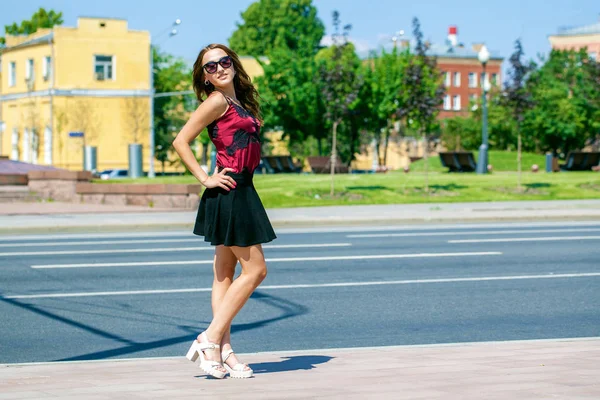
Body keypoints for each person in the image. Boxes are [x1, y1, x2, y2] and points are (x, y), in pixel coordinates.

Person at [173, 43, 277, 379]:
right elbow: (180, 140)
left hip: (242, 189)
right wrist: (205, 178)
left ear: (233, 63)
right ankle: (210, 337)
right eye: (210, 67)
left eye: (224, 61)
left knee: (224, 274)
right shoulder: (216, 101)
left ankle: (223, 351)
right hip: (230, 190)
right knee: (256, 271)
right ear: (204, 78)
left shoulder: (238, 102)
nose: (218, 68)